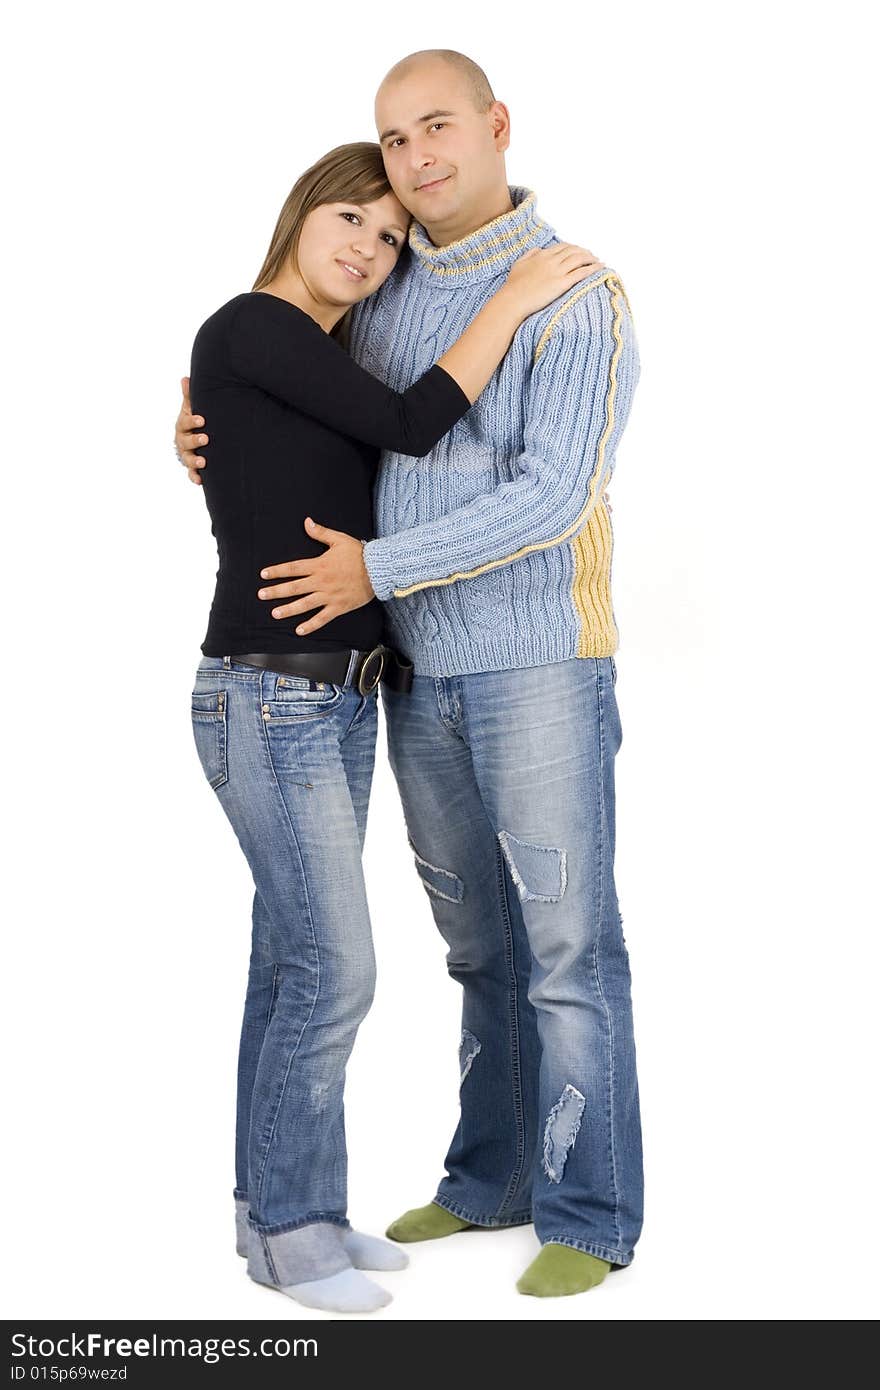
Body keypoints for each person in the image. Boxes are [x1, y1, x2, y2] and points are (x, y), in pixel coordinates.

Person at [179, 48, 642, 1301]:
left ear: (496, 126)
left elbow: (552, 493)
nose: (415, 162)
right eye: (390, 144)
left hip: (537, 657)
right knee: (474, 947)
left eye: (437, 127)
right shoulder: (382, 293)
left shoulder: (573, 293)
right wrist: (202, 427)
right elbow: (318, 404)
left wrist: (379, 563)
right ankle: (487, 1179)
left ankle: (589, 1211)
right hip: (406, 671)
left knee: (564, 945)